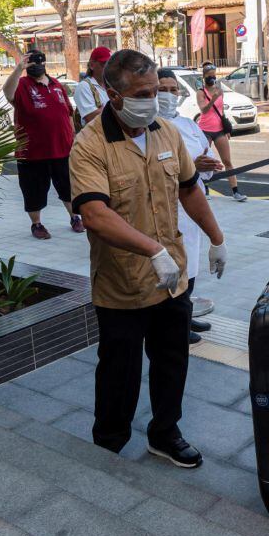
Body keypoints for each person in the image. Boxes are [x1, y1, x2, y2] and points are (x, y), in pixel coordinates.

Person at [70, 49, 228, 468]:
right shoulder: (89, 145)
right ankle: (109, 443)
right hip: (123, 283)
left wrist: (216, 238)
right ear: (112, 94)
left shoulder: (166, 132)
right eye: (143, 92)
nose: (153, 99)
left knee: (172, 360)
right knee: (118, 373)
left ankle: (165, 432)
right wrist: (151, 249)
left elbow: (190, 188)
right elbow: (94, 214)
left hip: (172, 277)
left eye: (156, 89)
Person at [157, 69, 224, 343]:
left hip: (194, 203)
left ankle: (186, 316)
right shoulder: (150, 127)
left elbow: (205, 156)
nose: (170, 94)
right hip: (169, 207)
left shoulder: (188, 124)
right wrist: (190, 168)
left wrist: (205, 167)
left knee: (192, 263)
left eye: (174, 89)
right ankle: (175, 325)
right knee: (176, 264)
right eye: (163, 88)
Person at [2, 48, 83, 239]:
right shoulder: (21, 84)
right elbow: (7, 93)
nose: (35, 67)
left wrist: (72, 137)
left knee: (68, 187)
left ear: (44, 64)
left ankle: (75, 217)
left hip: (62, 149)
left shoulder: (56, 84)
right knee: (33, 190)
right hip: (32, 152)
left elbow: (68, 114)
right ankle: (36, 224)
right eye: (31, 64)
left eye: (38, 63)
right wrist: (18, 68)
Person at [196, 62, 246, 202]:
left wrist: (226, 129)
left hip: (219, 130)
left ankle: (235, 191)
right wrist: (213, 99)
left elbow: (221, 110)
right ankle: (205, 189)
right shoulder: (201, 92)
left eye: (214, 75)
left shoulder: (219, 90)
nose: (212, 78)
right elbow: (204, 110)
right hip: (205, 130)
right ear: (204, 77)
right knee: (206, 161)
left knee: (227, 161)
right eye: (209, 76)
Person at [73, 45, 111, 125]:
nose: (108, 67)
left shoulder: (112, 85)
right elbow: (91, 118)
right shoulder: (84, 87)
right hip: (95, 136)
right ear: (91, 65)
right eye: (103, 64)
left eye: (109, 64)